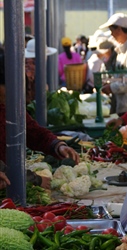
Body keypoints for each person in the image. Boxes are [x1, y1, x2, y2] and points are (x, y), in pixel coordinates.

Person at [0, 48, 80, 189]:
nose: (15, 92)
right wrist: (34, 179)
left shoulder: (10, 107)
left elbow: (32, 131)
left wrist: (57, 146)